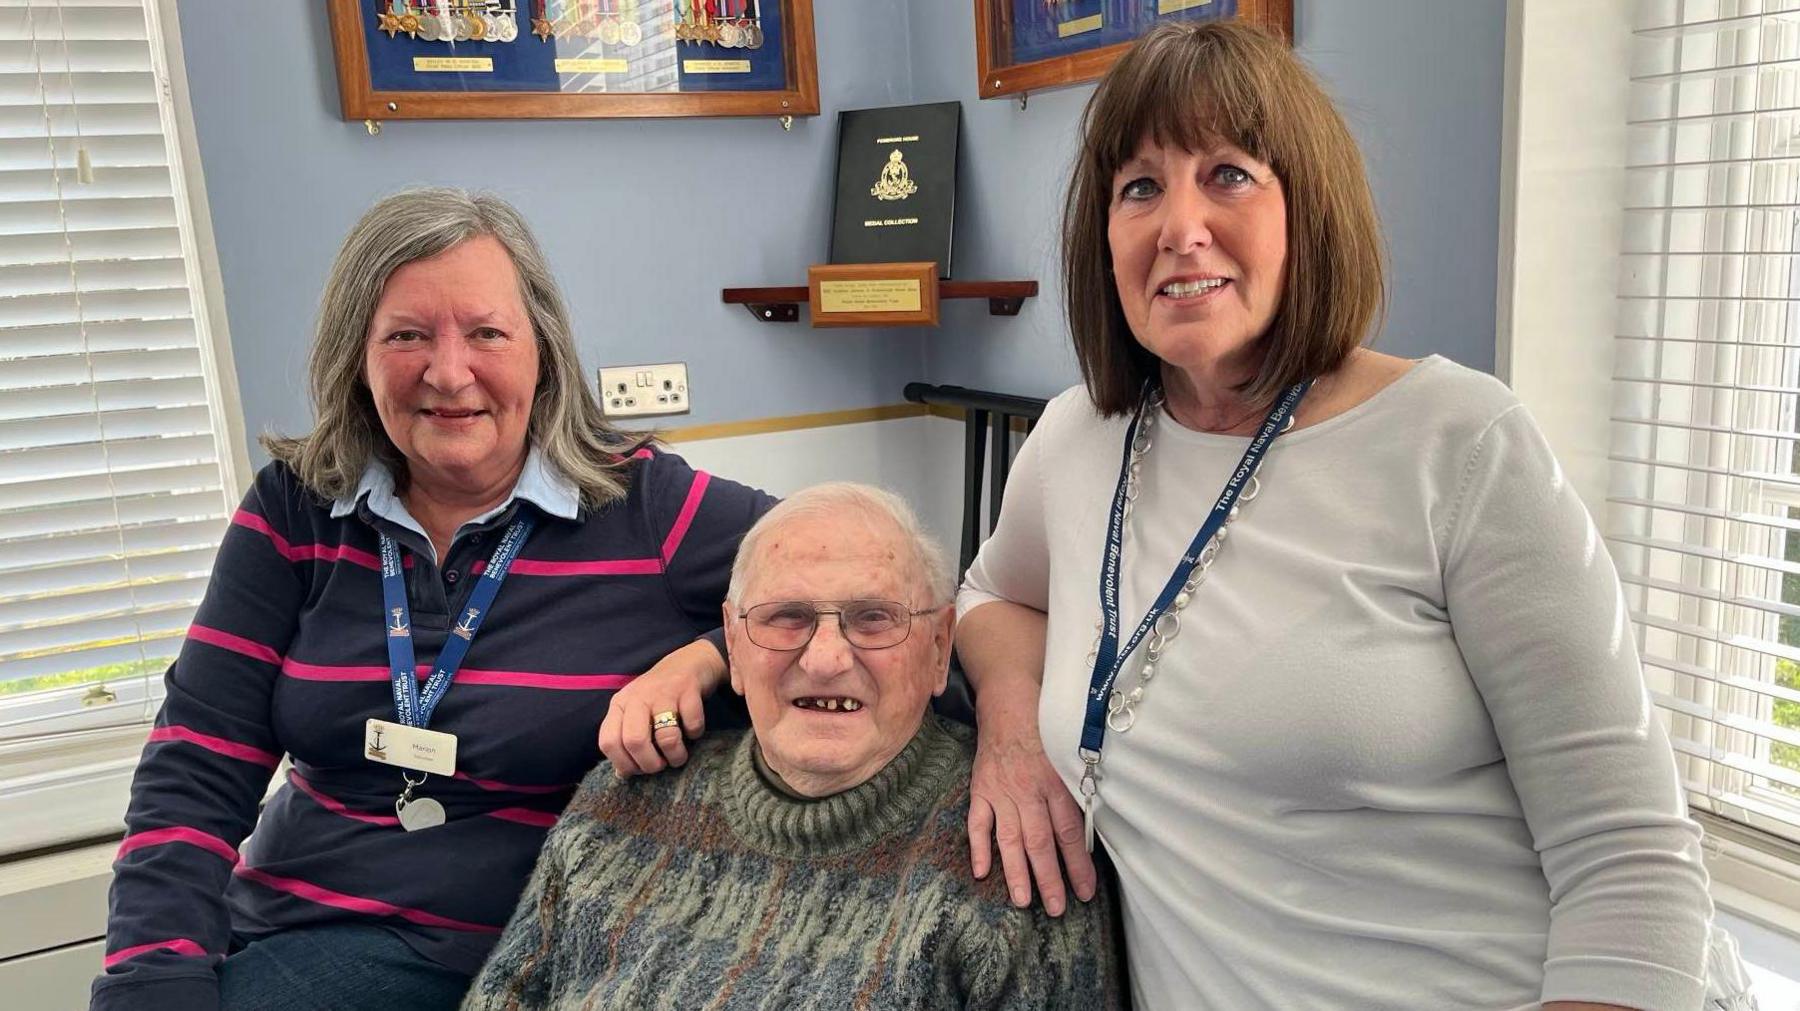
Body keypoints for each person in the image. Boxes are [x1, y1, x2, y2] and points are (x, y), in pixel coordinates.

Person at [951, 20, 1719, 1011]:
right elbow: (992, 598)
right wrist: (1012, 733)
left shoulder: (1458, 440)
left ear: (1309, 214)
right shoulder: (1073, 439)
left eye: (1228, 174)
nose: (1180, 225)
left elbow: (1633, 863)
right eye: (1140, 186)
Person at [92, 188, 775, 1011]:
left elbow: (863, 594)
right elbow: (195, 769)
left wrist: (705, 656)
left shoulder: (650, 509)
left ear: (542, 352)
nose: (448, 373)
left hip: (537, 955)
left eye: (487, 333)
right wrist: (152, 980)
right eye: (407, 336)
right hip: (297, 935)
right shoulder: (293, 509)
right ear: (358, 356)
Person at [464, 483, 1124, 1010]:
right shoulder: (624, 799)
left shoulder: (1013, 856)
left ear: (938, 648)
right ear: (733, 643)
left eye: (874, 618)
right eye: (788, 617)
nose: (828, 656)